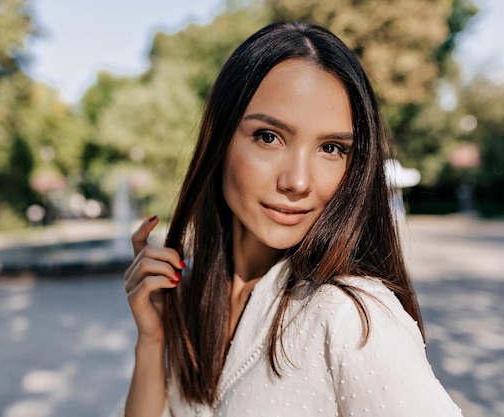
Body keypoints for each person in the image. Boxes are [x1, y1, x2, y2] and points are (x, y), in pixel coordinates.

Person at [117, 22, 463, 417]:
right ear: (220, 137)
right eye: (269, 137)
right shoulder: (189, 293)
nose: (298, 181)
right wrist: (153, 339)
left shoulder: (351, 315)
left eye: (331, 148)